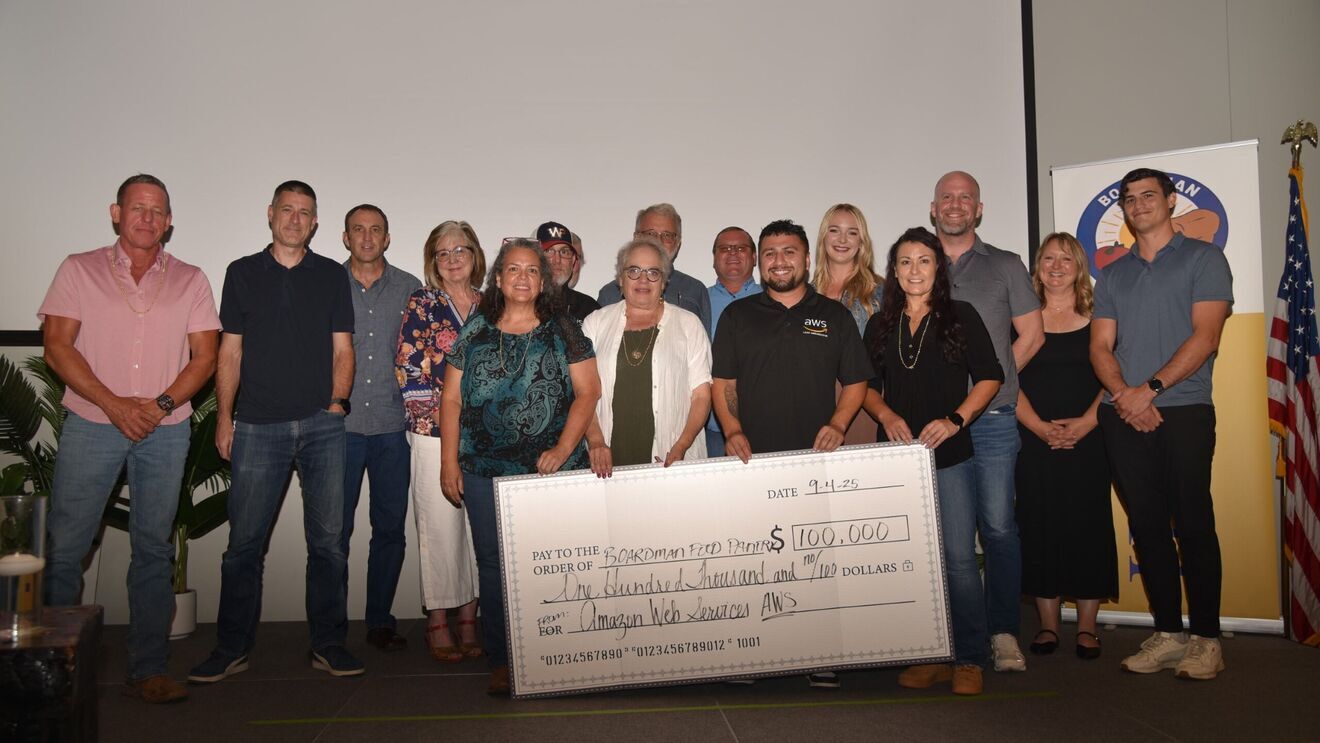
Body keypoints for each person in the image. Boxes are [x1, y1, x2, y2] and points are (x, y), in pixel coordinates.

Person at [40, 174, 220, 704]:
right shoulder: (79, 269)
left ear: (169, 222)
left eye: (157, 210)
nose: (147, 217)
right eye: (137, 207)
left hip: (164, 432)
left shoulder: (191, 279)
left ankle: (147, 668)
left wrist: (160, 405)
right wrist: (115, 404)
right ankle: (56, 672)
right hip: (92, 424)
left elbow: (205, 356)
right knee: (67, 549)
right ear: (115, 212)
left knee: (153, 550)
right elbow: (56, 346)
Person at [190, 180, 360, 683]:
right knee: (244, 546)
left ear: (314, 223)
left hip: (322, 427)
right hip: (257, 427)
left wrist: (335, 405)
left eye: (305, 212)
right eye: (287, 209)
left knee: (329, 545)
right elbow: (230, 352)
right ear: (270, 214)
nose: (294, 219)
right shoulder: (241, 273)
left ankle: (328, 644)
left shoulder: (331, 275)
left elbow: (343, 350)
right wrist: (225, 418)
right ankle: (231, 647)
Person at [711, 219, 872, 689]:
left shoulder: (834, 316)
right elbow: (723, 384)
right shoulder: (737, 317)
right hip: (750, 460)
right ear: (761, 262)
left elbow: (858, 380)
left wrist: (839, 424)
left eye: (789, 252)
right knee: (754, 558)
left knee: (815, 560)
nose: (779, 261)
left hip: (815, 462)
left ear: (806, 258)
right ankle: (752, 653)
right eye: (770, 254)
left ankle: (821, 652)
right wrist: (733, 428)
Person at [440, 238, 601, 696]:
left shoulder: (564, 328)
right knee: (492, 565)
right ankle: (503, 659)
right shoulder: (475, 330)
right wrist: (448, 462)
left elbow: (588, 392)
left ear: (543, 279)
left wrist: (563, 447)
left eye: (532, 270)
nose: (523, 278)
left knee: (548, 563)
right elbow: (450, 399)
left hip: (548, 472)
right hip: (481, 468)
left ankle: (557, 655)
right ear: (499, 278)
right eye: (513, 269)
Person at [1091, 167, 1233, 680]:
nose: (1138, 204)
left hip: (1185, 410)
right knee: (1147, 527)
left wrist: (1147, 391)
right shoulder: (1112, 273)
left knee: (1193, 525)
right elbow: (1100, 346)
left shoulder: (1204, 258)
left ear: (1171, 201)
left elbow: (1206, 337)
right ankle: (1169, 632)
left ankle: (1208, 639)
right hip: (1121, 414)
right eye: (1129, 199)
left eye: (1148, 196)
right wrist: (1124, 398)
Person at [863, 226, 1003, 696]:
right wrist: (885, 415)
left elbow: (989, 378)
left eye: (924, 261)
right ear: (893, 271)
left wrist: (955, 420)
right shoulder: (879, 323)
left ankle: (969, 658)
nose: (914, 271)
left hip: (951, 456)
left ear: (938, 267)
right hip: (897, 462)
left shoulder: (960, 315)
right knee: (913, 563)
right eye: (905, 262)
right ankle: (930, 654)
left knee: (960, 559)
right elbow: (863, 385)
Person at [931, 170, 1044, 672]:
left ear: (978, 209)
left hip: (994, 418)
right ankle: (966, 641)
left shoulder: (1006, 266)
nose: (956, 205)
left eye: (965, 198)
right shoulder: (918, 266)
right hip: (937, 427)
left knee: (998, 529)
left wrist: (988, 382)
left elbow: (1033, 335)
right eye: (947, 198)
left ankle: (1003, 633)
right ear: (934, 209)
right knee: (953, 541)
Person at [1015, 233, 1116, 660]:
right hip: (1032, 439)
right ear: (1037, 268)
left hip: (1088, 439)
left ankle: (1088, 628)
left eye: (1066, 259)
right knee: (1038, 524)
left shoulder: (1100, 317)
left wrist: (1087, 424)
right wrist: (1039, 427)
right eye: (1048, 259)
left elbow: (1116, 372)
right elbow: (1004, 378)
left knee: (1089, 525)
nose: (1056, 266)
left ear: (1080, 267)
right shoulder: (1021, 319)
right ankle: (1049, 626)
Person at [396, 220, 485, 663]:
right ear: (433, 261)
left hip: (488, 440)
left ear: (475, 256)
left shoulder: (494, 304)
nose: (453, 259)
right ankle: (437, 621)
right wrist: (442, 422)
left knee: (477, 529)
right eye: (443, 252)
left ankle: (470, 617)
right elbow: (409, 367)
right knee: (439, 526)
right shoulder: (423, 302)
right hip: (433, 433)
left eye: (461, 250)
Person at [338, 204, 421, 652]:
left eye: (376, 230)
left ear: (387, 238)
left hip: (393, 428)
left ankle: (379, 621)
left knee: (389, 528)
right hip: (340, 428)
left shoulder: (410, 288)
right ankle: (329, 624)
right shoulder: (326, 285)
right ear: (345, 237)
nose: (367, 237)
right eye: (358, 230)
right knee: (335, 532)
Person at [582, 238, 711, 475]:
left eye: (653, 272)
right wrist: (596, 441)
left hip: (672, 457)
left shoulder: (689, 324)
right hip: (606, 458)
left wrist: (682, 445)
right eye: (633, 271)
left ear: (664, 282)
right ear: (620, 279)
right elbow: (583, 392)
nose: (643, 279)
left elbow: (701, 395)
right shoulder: (595, 323)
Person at [812, 203, 885, 446]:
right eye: (834, 230)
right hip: (815, 402)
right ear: (823, 237)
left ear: (862, 241)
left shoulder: (882, 292)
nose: (842, 239)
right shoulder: (806, 294)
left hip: (867, 400)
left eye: (852, 232)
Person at [597, 203, 712, 333]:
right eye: (651, 233)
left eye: (667, 235)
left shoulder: (695, 290)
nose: (658, 241)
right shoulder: (610, 293)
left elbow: (703, 348)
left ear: (677, 243)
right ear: (636, 238)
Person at [705, 227, 760, 457]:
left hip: (765, 422)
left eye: (741, 248)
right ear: (714, 258)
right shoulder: (699, 301)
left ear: (754, 257)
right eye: (725, 248)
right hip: (711, 427)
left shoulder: (773, 299)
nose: (733, 253)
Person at [537, 220, 599, 321]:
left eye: (564, 252)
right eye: (548, 251)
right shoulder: (515, 302)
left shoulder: (589, 309)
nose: (557, 260)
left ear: (574, 260)